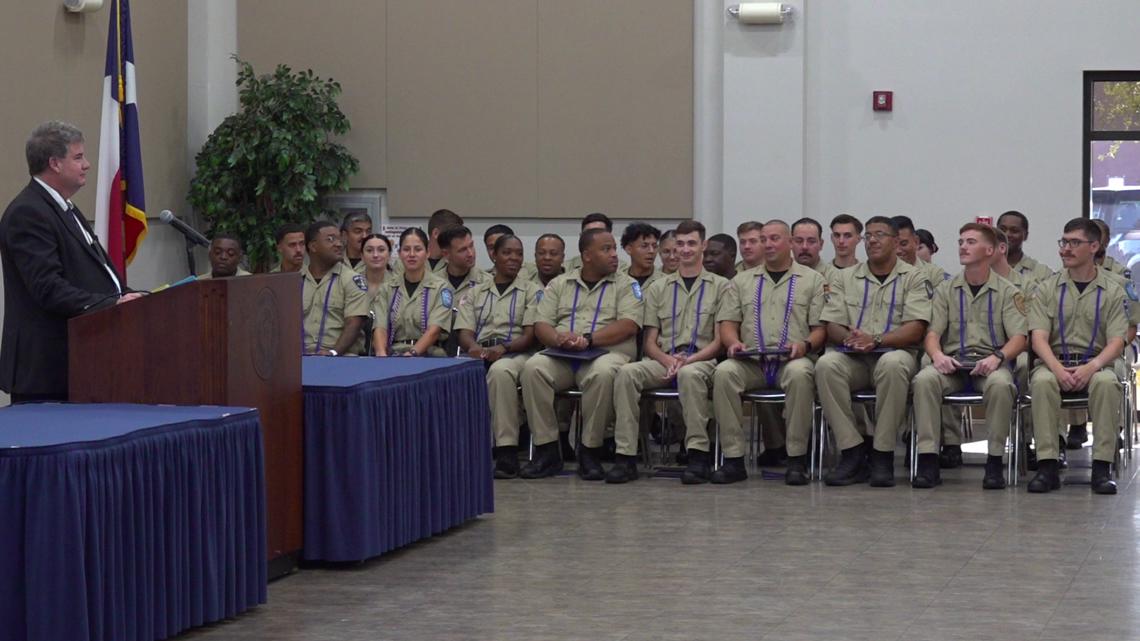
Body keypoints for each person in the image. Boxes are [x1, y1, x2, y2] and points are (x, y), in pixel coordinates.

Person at [0, 121, 142, 402]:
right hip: (48, 368)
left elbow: (95, 272)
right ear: (54, 163)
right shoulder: (28, 212)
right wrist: (112, 304)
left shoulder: (64, 207)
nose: (87, 164)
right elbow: (48, 289)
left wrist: (128, 296)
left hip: (82, 359)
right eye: (78, 157)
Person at [608, 221, 730, 484]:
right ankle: (626, 456)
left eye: (691, 243)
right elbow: (650, 341)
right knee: (627, 373)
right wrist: (667, 360)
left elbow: (720, 341)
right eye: (680, 244)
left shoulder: (721, 287)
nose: (685, 250)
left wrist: (690, 360)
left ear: (703, 246)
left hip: (702, 359)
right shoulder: (658, 288)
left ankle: (698, 455)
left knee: (689, 375)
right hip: (663, 359)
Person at [815, 216, 931, 487]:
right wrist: (852, 339)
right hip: (855, 357)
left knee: (893, 364)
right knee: (826, 365)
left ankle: (882, 453)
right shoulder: (844, 277)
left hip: (895, 352)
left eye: (880, 235)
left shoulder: (914, 277)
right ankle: (853, 450)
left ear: (895, 242)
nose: (873, 241)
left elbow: (915, 328)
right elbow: (832, 323)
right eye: (868, 236)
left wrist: (876, 340)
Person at [519, 228, 642, 480]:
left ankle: (590, 450)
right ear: (587, 255)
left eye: (613, 249)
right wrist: (558, 339)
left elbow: (628, 325)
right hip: (564, 354)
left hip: (606, 351)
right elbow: (541, 323)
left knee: (603, 373)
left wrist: (588, 339)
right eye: (605, 249)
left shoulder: (627, 285)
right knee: (533, 369)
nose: (614, 255)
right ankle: (547, 450)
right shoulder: (560, 284)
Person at [911, 223, 1027, 489]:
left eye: (971, 242)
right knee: (924, 379)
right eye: (961, 241)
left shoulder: (1009, 292)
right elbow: (932, 333)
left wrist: (997, 357)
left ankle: (995, 460)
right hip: (953, 364)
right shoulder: (945, 290)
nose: (963, 246)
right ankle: (928, 459)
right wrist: (937, 355)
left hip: (989, 365)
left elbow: (1019, 338)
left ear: (989, 250)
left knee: (1001, 385)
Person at [711, 220, 827, 485]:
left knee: (800, 375)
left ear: (789, 243)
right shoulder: (741, 281)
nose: (768, 244)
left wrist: (806, 345)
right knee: (724, 373)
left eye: (774, 238)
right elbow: (728, 323)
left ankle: (796, 458)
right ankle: (733, 459)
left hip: (792, 360)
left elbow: (820, 329)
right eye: (764, 239)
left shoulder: (812, 280)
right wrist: (732, 343)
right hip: (752, 361)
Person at [1027, 218, 1128, 495]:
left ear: (1094, 246)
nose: (1065, 249)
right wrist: (1058, 369)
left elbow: (1118, 340)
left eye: (1074, 243)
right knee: (1043, 382)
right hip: (1054, 360)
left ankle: (1101, 467)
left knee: (1107, 383)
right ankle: (1047, 465)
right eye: (1064, 242)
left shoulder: (1114, 289)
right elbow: (1038, 338)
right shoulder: (1047, 288)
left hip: (1096, 362)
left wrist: (1092, 367)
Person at [455, 234, 541, 479]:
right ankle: (459, 449)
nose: (513, 258)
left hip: (518, 352)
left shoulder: (532, 291)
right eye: (507, 253)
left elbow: (530, 335)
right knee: (448, 372)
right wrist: (473, 347)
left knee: (501, 371)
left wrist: (503, 349)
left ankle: (506, 452)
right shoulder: (476, 292)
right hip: (480, 351)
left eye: (518, 254)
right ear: (494, 255)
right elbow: (464, 332)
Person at [893, 215, 960, 466]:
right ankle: (905, 436)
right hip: (898, 342)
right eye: (894, 243)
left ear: (915, 241)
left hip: (932, 340)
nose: (899, 249)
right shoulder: (886, 272)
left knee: (935, 367)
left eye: (904, 243)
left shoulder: (937, 275)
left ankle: (948, 441)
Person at [373, 228, 452, 356]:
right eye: (406, 249)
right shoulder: (387, 288)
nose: (411, 254)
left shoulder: (441, 288)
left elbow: (434, 330)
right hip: (394, 354)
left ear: (427, 253)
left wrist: (412, 353)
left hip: (429, 355)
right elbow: (380, 327)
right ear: (399, 254)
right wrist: (381, 355)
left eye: (418, 249)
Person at [302, 220, 368, 356]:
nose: (339, 244)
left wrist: (333, 352)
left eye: (339, 239)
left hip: (341, 359)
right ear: (313, 246)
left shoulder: (352, 279)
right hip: (300, 358)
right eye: (330, 239)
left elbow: (354, 324)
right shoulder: (295, 281)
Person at [438, 225, 490, 355]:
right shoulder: (433, 284)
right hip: (439, 350)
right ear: (446, 254)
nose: (471, 253)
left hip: (475, 350)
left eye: (471, 246)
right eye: (462, 250)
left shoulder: (487, 282)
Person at [350, 233, 399, 355]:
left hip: (390, 350)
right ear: (362, 255)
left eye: (381, 250)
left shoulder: (399, 284)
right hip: (355, 350)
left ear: (389, 255)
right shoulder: (350, 283)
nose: (375, 255)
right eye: (369, 250)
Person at [997, 210, 1054, 283]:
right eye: (1002, 229)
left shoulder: (1043, 273)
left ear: (1026, 235)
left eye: (1014, 231)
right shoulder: (984, 268)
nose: (1007, 234)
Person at [792, 217, 837, 283]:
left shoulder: (835, 277)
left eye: (811, 241)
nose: (805, 247)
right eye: (799, 241)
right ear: (790, 243)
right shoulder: (781, 273)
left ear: (821, 244)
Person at [620, 222, 663, 288]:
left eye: (654, 246)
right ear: (628, 249)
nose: (651, 251)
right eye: (644, 246)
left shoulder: (666, 282)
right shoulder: (618, 280)